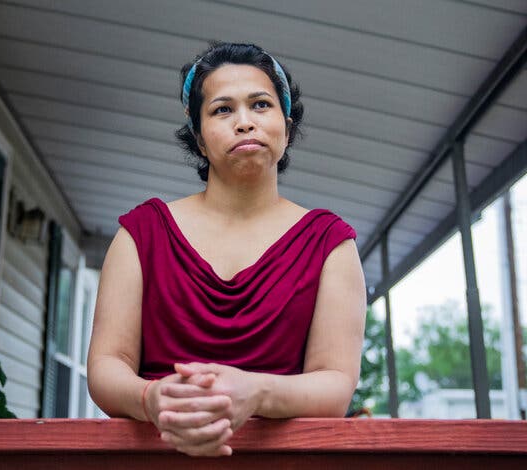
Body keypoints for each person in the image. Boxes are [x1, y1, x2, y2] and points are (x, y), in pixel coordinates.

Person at [87, 42, 366, 457]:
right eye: (222, 109)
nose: (244, 122)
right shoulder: (142, 233)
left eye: (260, 105)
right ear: (198, 139)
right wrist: (150, 398)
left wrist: (256, 392)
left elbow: (335, 385)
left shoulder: (330, 244)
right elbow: (106, 366)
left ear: (286, 128)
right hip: (154, 458)